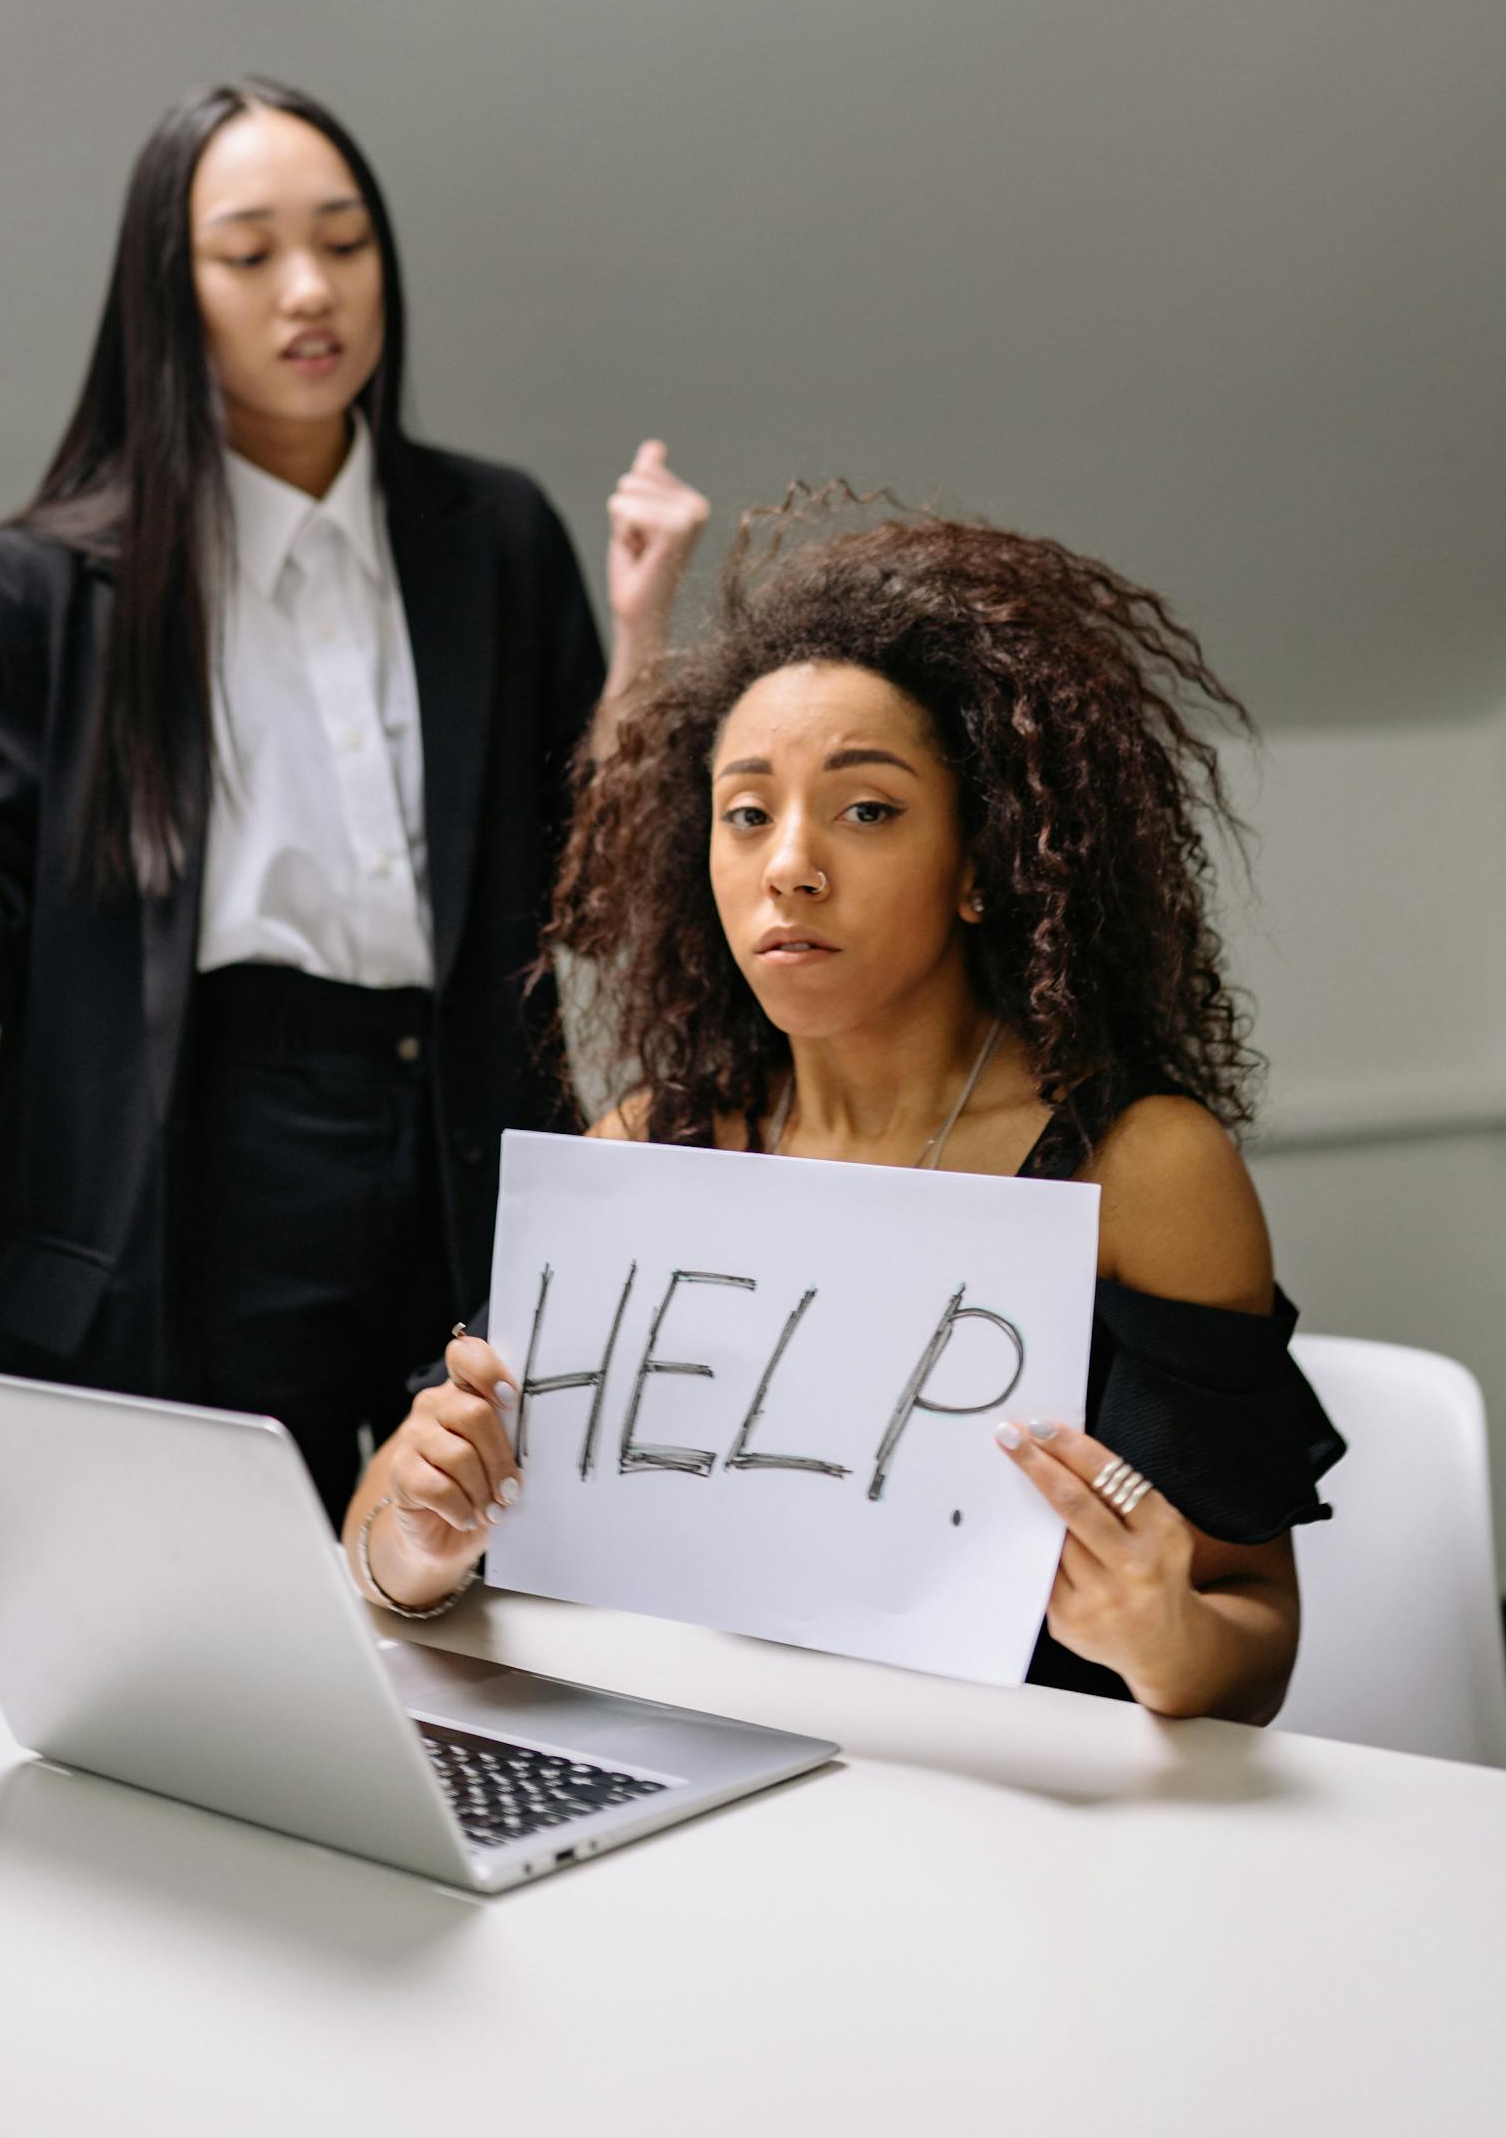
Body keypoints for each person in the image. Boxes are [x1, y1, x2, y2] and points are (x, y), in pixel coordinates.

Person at [0, 78, 708, 1527]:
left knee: (493, 1620)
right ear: (171, 288)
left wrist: (641, 631)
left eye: (345, 244)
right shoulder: (52, 583)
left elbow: (587, 908)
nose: (311, 290)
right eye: (249, 252)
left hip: (453, 1143)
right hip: (186, 1175)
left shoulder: (492, 538)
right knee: (209, 1653)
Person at [344, 491, 1344, 1719]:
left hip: (1013, 1821)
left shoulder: (1142, 1169)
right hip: (677, 1772)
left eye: (866, 809)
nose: (790, 864)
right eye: (746, 813)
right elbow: (380, 1536)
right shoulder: (651, 1141)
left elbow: (1255, 1641)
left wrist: (1163, 1634)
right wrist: (418, 1549)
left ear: (984, 862)